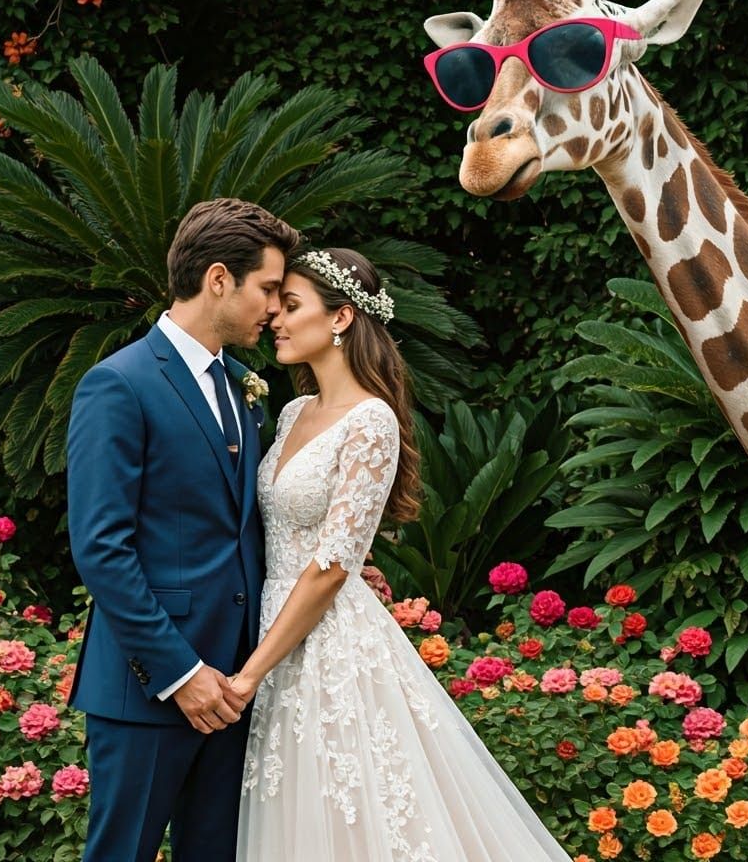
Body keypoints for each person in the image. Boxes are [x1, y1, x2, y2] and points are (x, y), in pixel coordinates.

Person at [230, 248, 572, 861]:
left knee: (355, 813)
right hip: (271, 627)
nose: (275, 320)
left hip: (326, 639)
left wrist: (252, 672)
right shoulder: (290, 412)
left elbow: (333, 565)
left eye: (291, 306)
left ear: (339, 319)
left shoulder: (372, 422)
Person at [66, 198, 300, 862]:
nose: (275, 309)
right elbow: (100, 548)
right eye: (267, 290)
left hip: (233, 690)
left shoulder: (242, 386)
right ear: (219, 279)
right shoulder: (117, 385)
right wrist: (178, 671)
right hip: (149, 691)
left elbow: (243, 525)